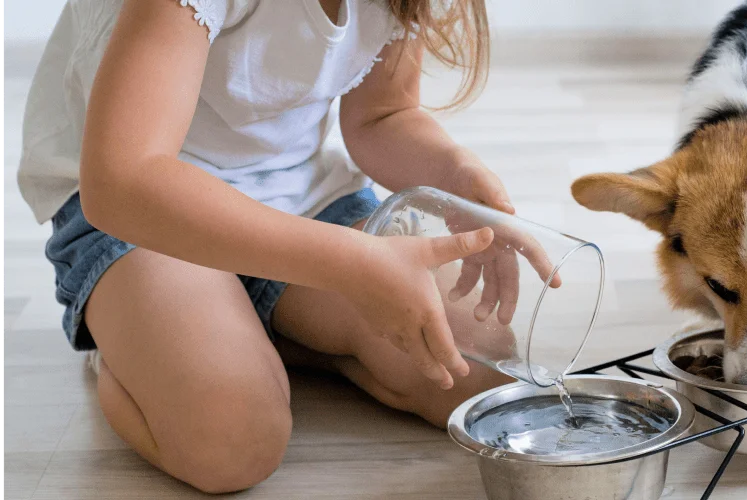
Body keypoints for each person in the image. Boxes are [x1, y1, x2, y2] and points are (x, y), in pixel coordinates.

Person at [17, 0, 517, 492]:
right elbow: (125, 181)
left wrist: (457, 174)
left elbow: (381, 114)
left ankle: (263, 328)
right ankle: (127, 347)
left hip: (298, 191)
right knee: (230, 440)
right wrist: (350, 262)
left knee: (481, 367)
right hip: (145, 215)